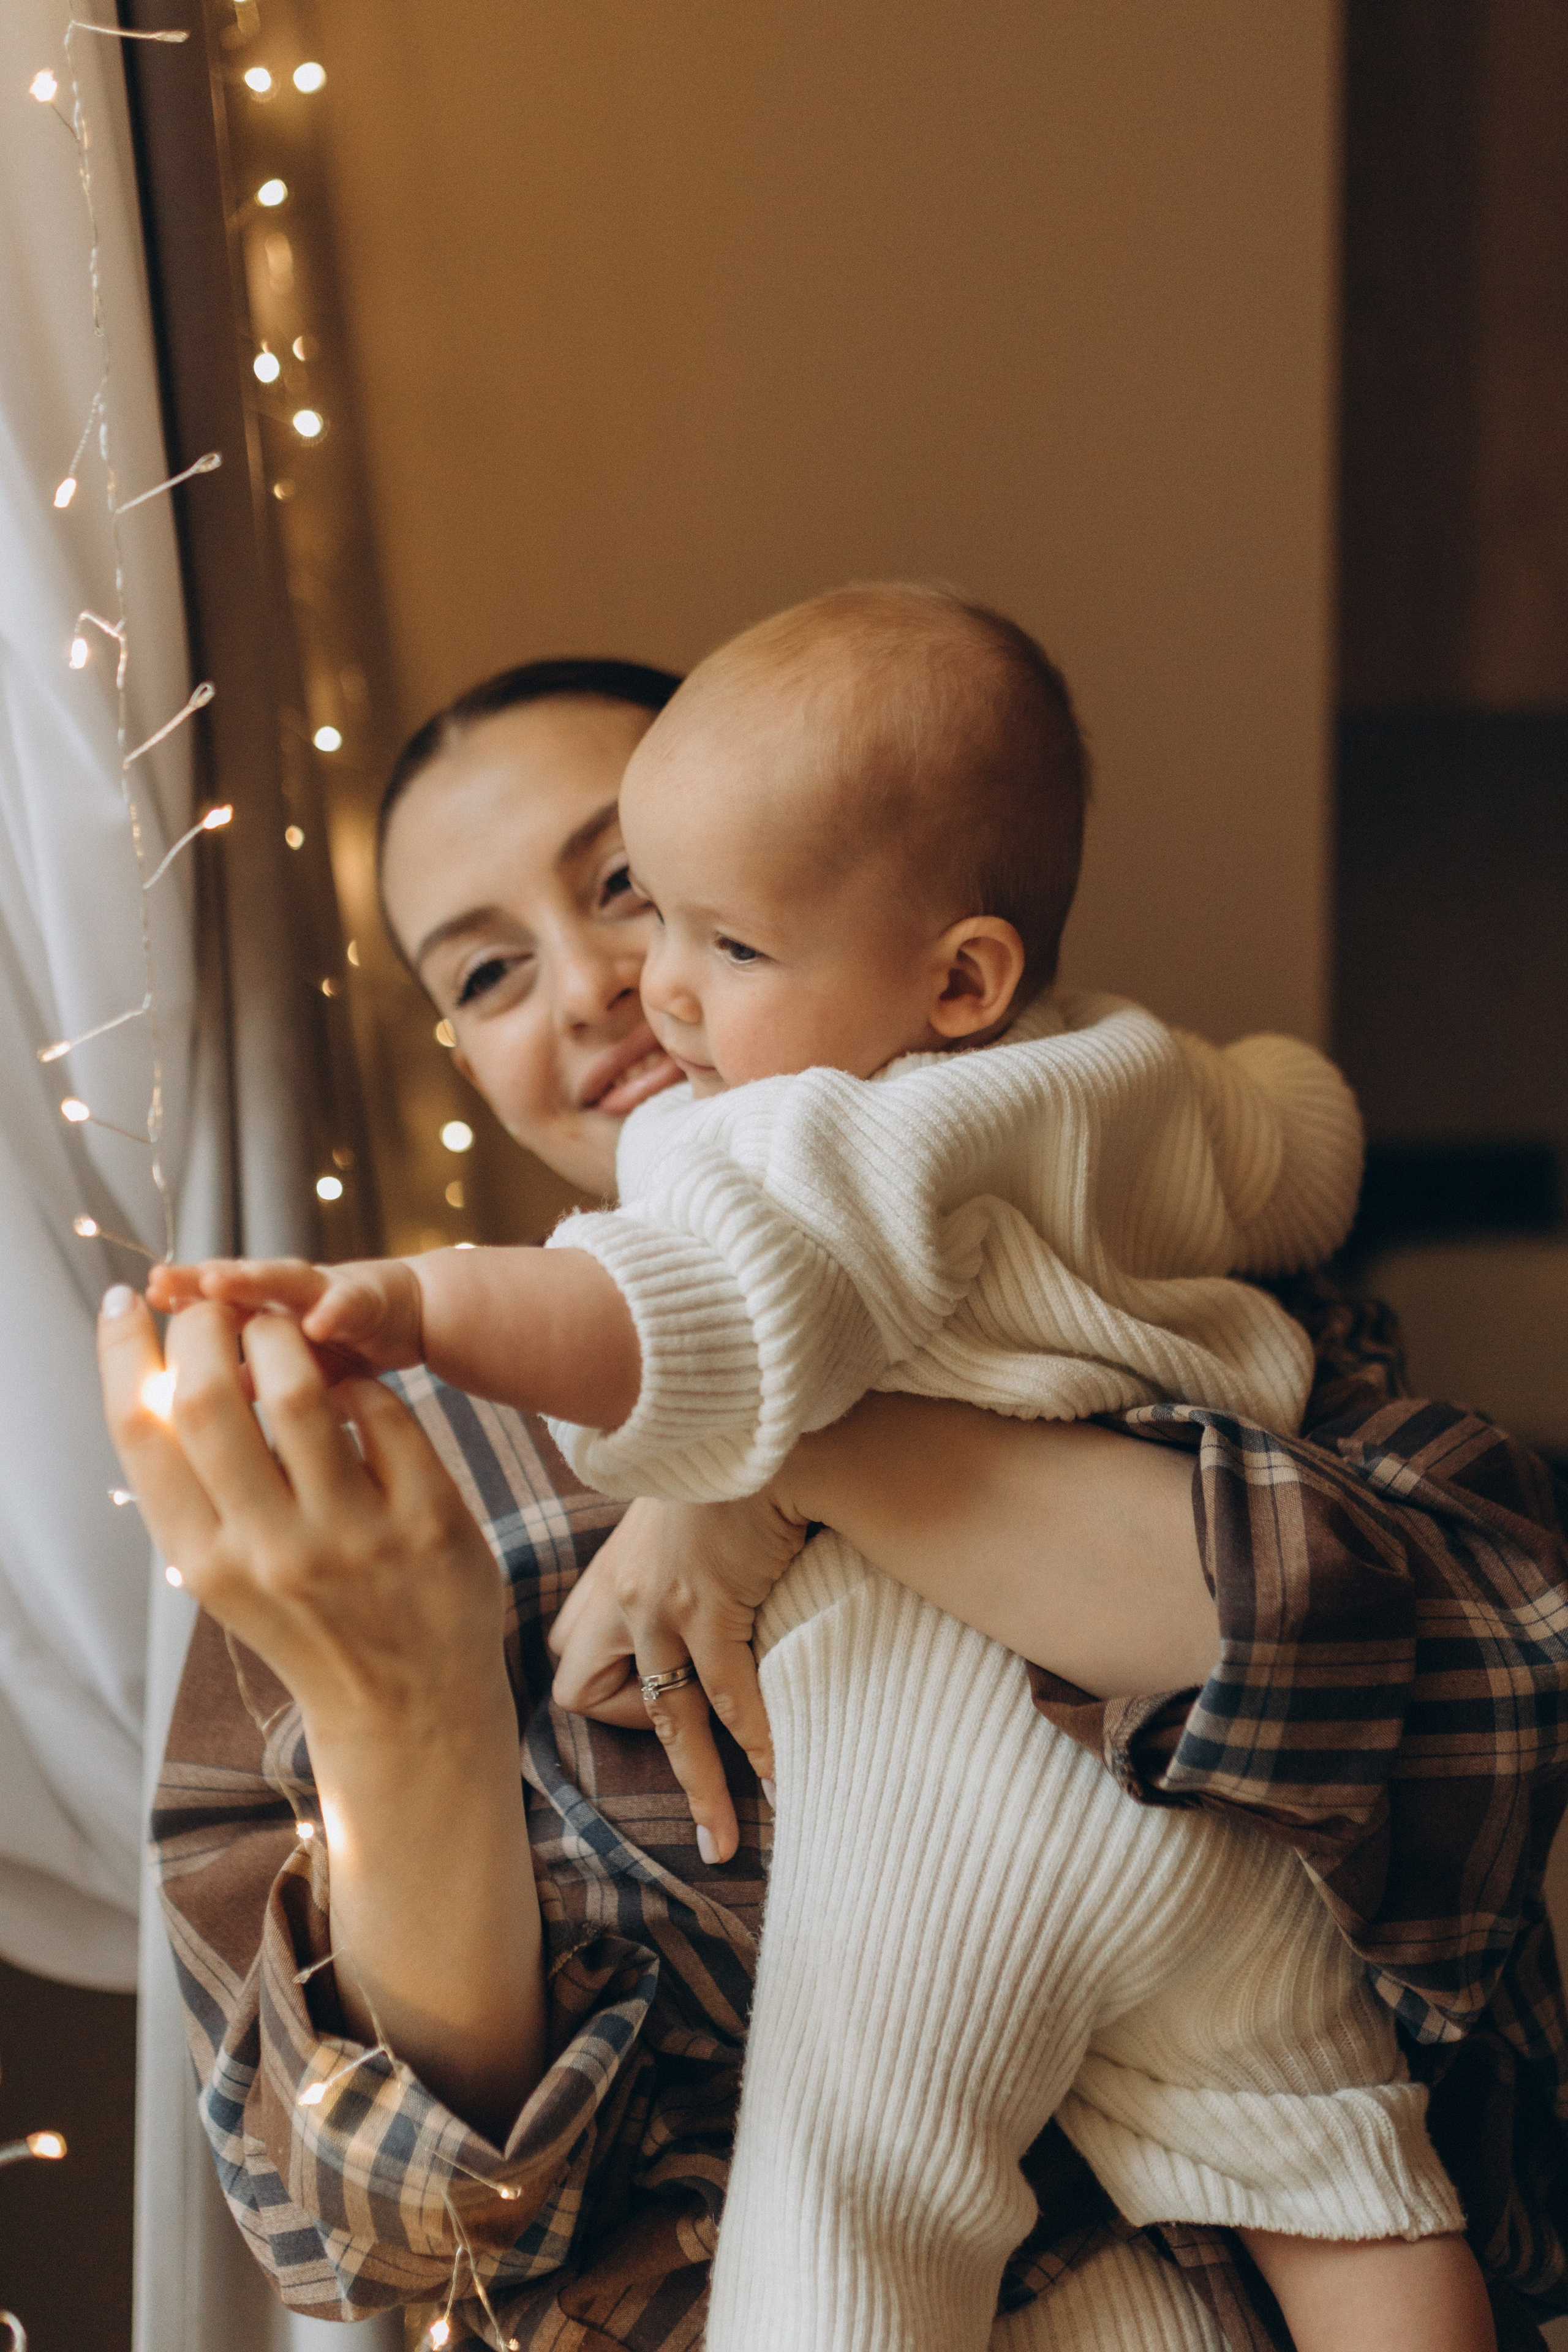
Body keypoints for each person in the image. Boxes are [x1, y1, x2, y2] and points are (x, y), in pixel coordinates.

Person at [109, 655, 1568, 2351]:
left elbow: (1476, 1688)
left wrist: (780, 1448)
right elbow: (385, 2239)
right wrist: (405, 1709)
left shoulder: (1134, 1243)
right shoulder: (358, 1503)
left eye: (631, 887)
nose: (598, 986)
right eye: (488, 971)